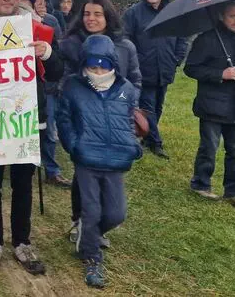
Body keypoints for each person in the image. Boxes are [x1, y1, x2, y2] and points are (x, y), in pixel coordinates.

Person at [0, 0, 64, 276]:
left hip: (26, 119)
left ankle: (22, 241)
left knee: (22, 183)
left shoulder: (38, 28)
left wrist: (46, 53)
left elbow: (57, 72)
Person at [57, 35, 142, 288]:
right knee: (92, 210)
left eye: (103, 67)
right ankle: (92, 257)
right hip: (87, 159)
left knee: (116, 214)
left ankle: (89, 233)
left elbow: (128, 119)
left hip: (115, 159)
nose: (97, 72)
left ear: (113, 64)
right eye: (92, 67)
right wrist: (74, 145)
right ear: (84, 64)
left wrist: (131, 143)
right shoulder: (73, 86)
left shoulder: (126, 89)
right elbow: (64, 119)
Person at [59, 0, 142, 242]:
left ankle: (96, 227)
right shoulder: (71, 43)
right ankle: (81, 221)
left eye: (97, 14)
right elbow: (63, 77)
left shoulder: (125, 46)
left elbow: (135, 78)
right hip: (84, 120)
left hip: (114, 121)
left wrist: (128, 104)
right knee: (83, 178)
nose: (91, 19)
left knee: (109, 180)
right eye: (86, 13)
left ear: (108, 17)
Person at [184, 1, 235, 208]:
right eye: (232, 16)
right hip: (212, 104)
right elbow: (191, 68)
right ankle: (201, 183)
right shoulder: (207, 39)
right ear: (222, 16)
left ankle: (234, 191)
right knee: (209, 147)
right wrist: (220, 74)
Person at [122, 0, 189, 159]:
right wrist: (134, 60)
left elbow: (182, 38)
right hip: (143, 69)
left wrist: (177, 59)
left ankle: (147, 135)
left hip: (166, 68)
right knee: (148, 106)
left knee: (158, 106)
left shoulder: (173, 13)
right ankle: (155, 143)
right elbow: (125, 37)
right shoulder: (133, 13)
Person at [18, 0, 67, 191]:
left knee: (48, 131)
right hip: (17, 93)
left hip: (44, 89)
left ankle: (51, 170)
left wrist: (46, 52)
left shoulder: (49, 23)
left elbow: (58, 62)